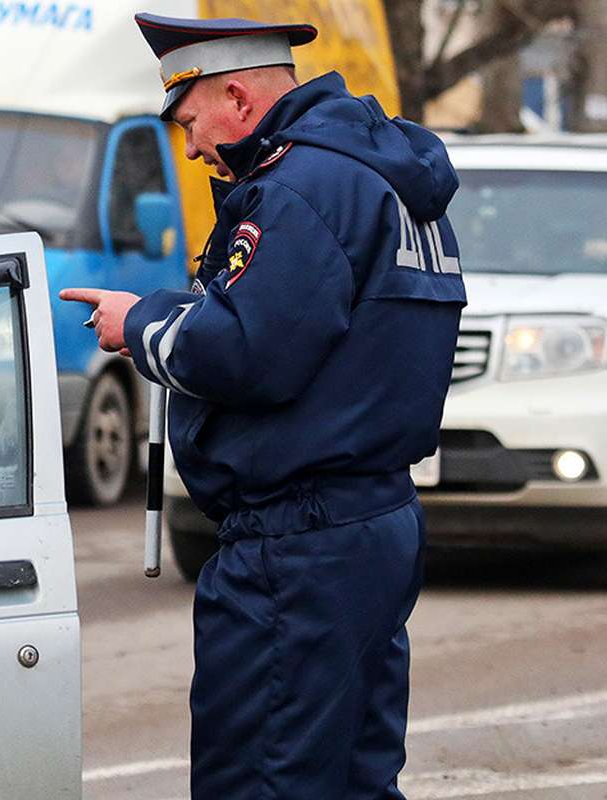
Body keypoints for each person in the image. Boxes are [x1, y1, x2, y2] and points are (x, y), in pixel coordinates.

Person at [61, 14, 466, 799]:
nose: (189, 148)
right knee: (353, 779)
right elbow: (316, 327)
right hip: (369, 523)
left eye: (188, 121)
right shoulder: (380, 174)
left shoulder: (298, 189)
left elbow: (248, 352)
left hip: (296, 543)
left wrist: (140, 323)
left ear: (238, 98)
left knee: (260, 779)